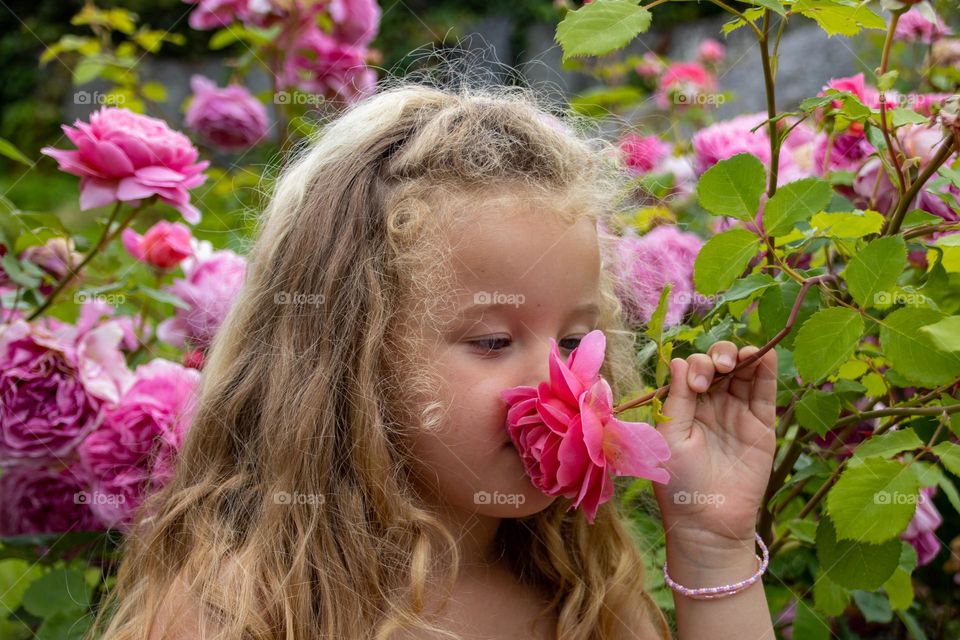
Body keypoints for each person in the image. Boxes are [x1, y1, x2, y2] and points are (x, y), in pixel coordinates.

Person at [91, 78, 778, 640]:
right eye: (492, 342)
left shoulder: (586, 601)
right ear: (350, 360)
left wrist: (710, 542)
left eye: (574, 340)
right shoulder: (242, 609)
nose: (560, 380)